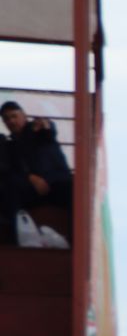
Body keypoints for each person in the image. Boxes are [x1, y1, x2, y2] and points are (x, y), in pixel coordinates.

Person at [1, 100, 72, 248]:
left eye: (14, 116)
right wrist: (31, 177)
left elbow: (48, 132)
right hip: (31, 190)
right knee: (9, 188)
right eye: (7, 118)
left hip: (55, 183)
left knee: (75, 190)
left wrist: (46, 125)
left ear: (24, 116)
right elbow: (9, 170)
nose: (11, 121)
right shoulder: (10, 146)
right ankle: (16, 242)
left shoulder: (35, 131)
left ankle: (74, 240)